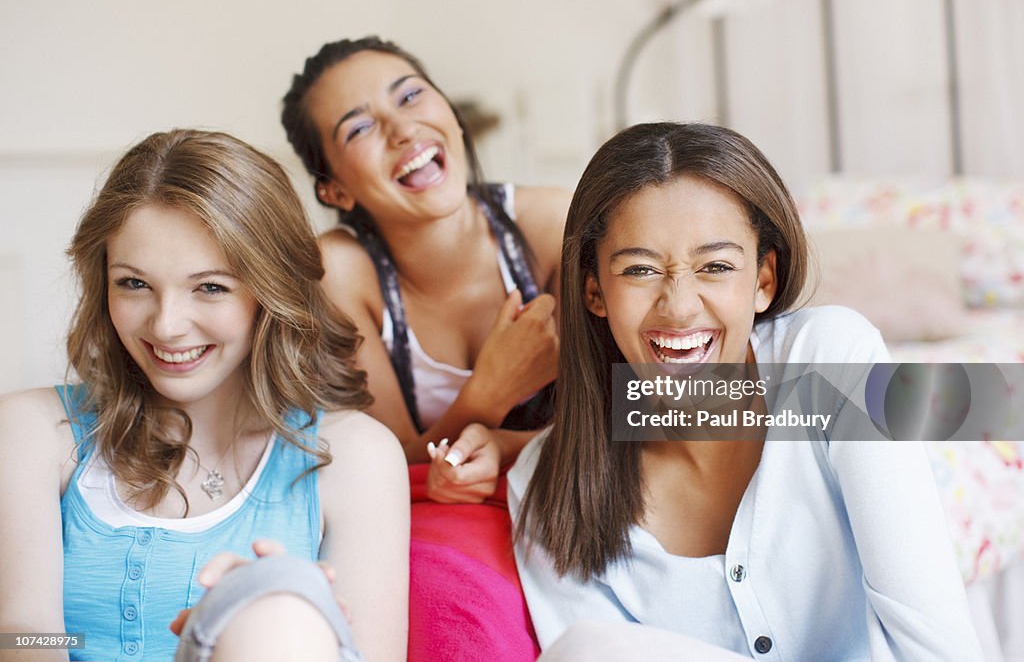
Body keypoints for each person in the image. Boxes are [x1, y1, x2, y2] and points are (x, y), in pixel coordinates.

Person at [509, 122, 984, 660]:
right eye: (640, 269)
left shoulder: (830, 358)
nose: (680, 306)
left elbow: (940, 647)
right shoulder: (545, 486)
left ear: (763, 281)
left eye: (715, 266)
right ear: (595, 291)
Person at [0, 130, 409, 662]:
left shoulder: (356, 457)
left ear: (271, 291)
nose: (167, 326)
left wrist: (268, 619)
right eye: (133, 284)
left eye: (210, 287)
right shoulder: (33, 431)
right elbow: (19, 634)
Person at [281, 36, 569, 497]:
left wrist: (504, 444)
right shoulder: (338, 273)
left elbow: (686, 410)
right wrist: (487, 394)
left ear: (451, 113)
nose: (403, 130)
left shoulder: (555, 227)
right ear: (334, 190)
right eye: (358, 129)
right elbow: (379, 464)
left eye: (411, 96)